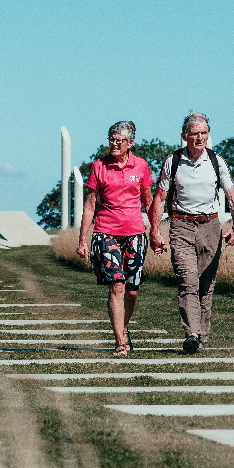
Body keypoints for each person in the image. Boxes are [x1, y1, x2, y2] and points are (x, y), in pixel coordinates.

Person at [148, 111, 234, 354]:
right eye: (195, 134)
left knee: (205, 284)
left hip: (210, 226)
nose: (200, 138)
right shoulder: (173, 161)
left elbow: (231, 196)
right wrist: (155, 231)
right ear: (184, 136)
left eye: (204, 133)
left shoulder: (216, 161)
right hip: (181, 225)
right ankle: (191, 333)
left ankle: (201, 334)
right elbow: (160, 198)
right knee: (187, 280)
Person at [76, 121, 154, 356]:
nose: (114, 144)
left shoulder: (140, 166)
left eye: (119, 140)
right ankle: (120, 340)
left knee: (132, 290)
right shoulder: (99, 166)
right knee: (117, 286)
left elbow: (149, 202)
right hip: (105, 231)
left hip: (135, 233)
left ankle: (124, 327)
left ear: (131, 143)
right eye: (111, 139)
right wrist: (83, 239)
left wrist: (156, 233)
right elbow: (90, 205)